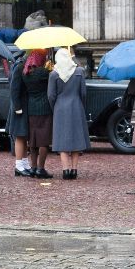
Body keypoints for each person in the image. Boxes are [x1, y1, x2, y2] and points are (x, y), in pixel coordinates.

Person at [47, 47, 90, 180]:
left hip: (60, 107)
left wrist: (54, 108)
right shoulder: (79, 71)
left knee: (62, 139)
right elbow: (83, 93)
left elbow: (51, 96)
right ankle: (74, 170)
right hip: (76, 106)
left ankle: (65, 171)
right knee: (76, 139)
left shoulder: (54, 74)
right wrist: (81, 105)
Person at [23, 49, 53, 179]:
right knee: (44, 141)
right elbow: (53, 76)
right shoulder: (42, 72)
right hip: (44, 108)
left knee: (33, 140)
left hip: (31, 108)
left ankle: (33, 167)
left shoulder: (26, 73)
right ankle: (41, 169)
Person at [7, 51, 32, 177]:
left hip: (23, 105)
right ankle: (18, 165)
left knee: (24, 136)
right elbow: (14, 89)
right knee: (20, 137)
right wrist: (17, 107)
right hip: (19, 107)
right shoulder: (20, 67)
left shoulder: (21, 65)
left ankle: (25, 163)